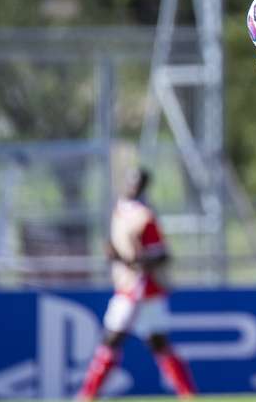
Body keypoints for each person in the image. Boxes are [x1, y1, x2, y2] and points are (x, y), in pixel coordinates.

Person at [78, 168, 196, 400]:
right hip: (128, 285)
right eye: (131, 181)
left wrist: (127, 260)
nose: (133, 186)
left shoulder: (144, 216)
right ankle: (187, 392)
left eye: (139, 183)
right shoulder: (120, 211)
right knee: (156, 342)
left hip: (141, 288)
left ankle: (88, 394)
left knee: (114, 338)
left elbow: (161, 254)